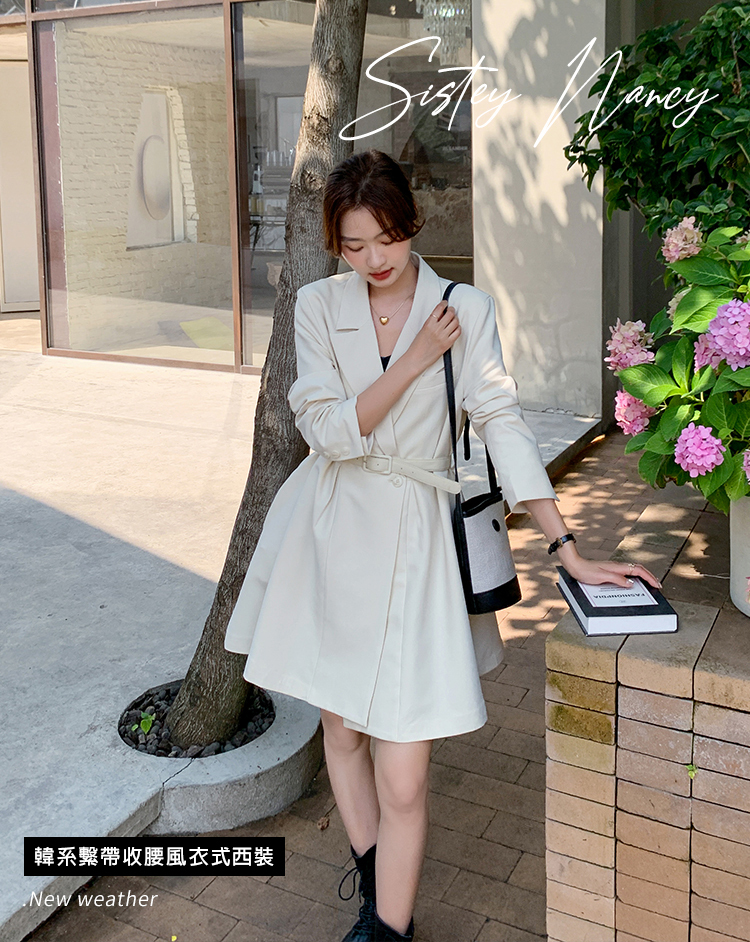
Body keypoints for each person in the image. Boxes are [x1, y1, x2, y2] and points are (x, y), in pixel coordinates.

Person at [224, 148, 660, 942]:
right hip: (331, 532)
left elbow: (502, 423)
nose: (374, 259)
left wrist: (566, 546)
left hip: (421, 541)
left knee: (404, 770)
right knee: (342, 731)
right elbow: (326, 430)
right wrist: (419, 358)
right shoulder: (318, 304)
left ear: (411, 223)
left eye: (386, 237)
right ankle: (374, 891)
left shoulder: (466, 307)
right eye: (354, 245)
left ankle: (389, 930)